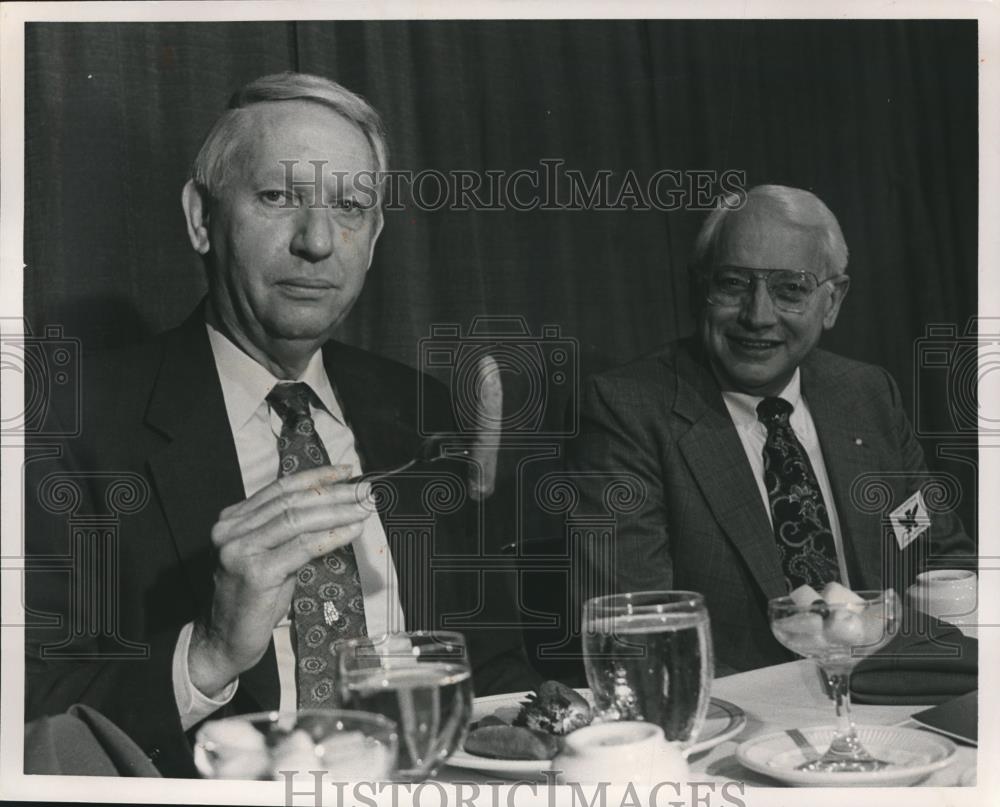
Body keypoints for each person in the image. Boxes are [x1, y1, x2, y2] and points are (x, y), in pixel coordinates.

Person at [24, 72, 537, 777]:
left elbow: (495, 665)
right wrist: (207, 651)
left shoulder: (422, 411)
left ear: (376, 236)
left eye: (350, 207)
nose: (319, 241)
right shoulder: (66, 425)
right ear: (202, 218)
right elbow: (28, 716)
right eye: (278, 197)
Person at [565, 184, 975, 673]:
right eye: (734, 283)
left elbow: (940, 559)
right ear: (701, 289)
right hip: (742, 717)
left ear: (833, 300)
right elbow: (632, 634)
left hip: (892, 691)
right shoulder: (628, 410)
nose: (758, 316)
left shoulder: (867, 395)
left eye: (790, 289)